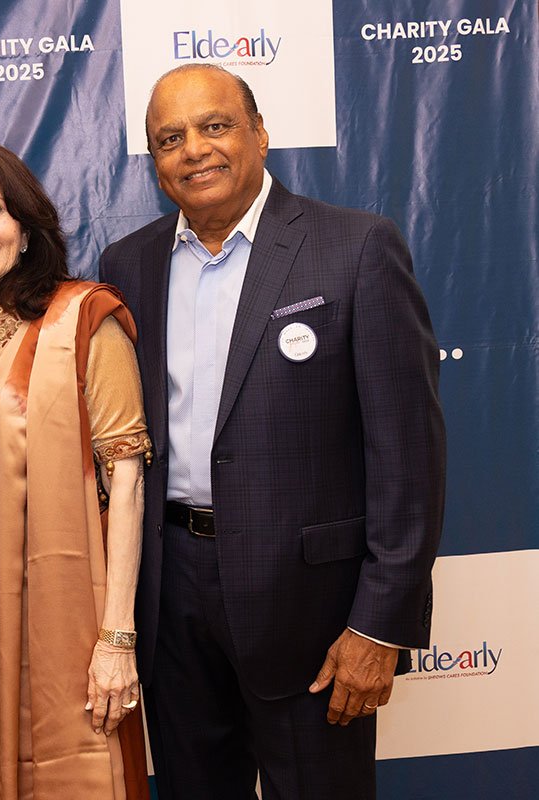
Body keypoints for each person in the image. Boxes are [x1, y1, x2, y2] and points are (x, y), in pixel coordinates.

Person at [99, 65, 446, 799]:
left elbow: (407, 457)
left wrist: (379, 624)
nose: (194, 149)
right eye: (170, 138)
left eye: (214, 126)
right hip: (171, 598)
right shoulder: (128, 264)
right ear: (155, 164)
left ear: (259, 134)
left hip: (312, 610)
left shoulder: (355, 247)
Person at [0, 141, 152, 799]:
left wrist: (116, 638)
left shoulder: (84, 320)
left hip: (66, 608)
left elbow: (126, 481)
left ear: (26, 226)